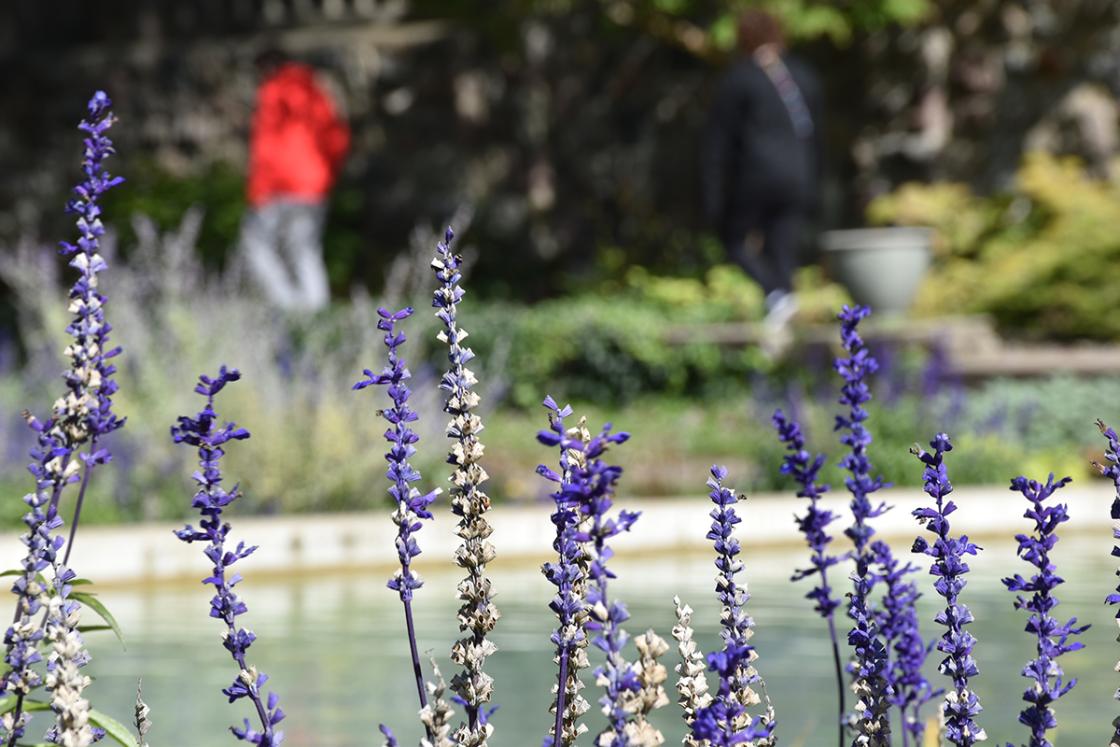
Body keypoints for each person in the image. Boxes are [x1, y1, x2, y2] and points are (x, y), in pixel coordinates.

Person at [702, 10, 823, 330]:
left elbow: (720, 144)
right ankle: (783, 319)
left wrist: (713, 197)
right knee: (782, 249)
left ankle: (776, 297)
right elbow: (815, 134)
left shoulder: (739, 80)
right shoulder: (803, 75)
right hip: (800, 175)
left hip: (757, 177)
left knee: (734, 239)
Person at [240, 49, 350, 312]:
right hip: (312, 184)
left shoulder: (272, 91)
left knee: (255, 245)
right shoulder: (315, 90)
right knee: (305, 250)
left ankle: (287, 306)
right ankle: (315, 311)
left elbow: (266, 148)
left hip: (276, 186)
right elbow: (337, 139)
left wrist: (259, 187)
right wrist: (326, 175)